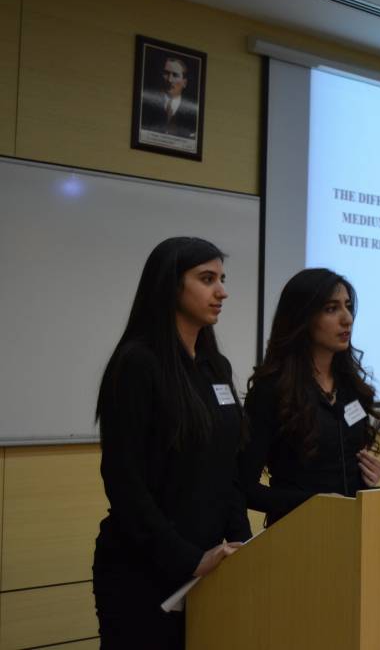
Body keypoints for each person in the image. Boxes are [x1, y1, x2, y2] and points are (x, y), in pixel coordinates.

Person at [93, 237, 250, 649]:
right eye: (207, 279)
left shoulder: (216, 367)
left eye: (222, 279)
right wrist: (189, 559)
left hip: (208, 567)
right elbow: (124, 481)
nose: (222, 291)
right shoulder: (137, 364)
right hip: (144, 568)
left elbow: (228, 468)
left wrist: (246, 545)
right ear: (170, 285)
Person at [240, 268, 380, 526]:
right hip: (299, 533)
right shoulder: (271, 390)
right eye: (331, 309)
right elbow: (244, 488)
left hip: (352, 529)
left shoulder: (351, 387)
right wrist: (313, 502)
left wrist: (366, 478)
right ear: (303, 317)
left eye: (348, 307)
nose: (347, 319)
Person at [140, 55, 198, 138]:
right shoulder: (145, 105)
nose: (169, 80)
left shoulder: (193, 114)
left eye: (175, 75)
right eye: (166, 73)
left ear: (184, 83)